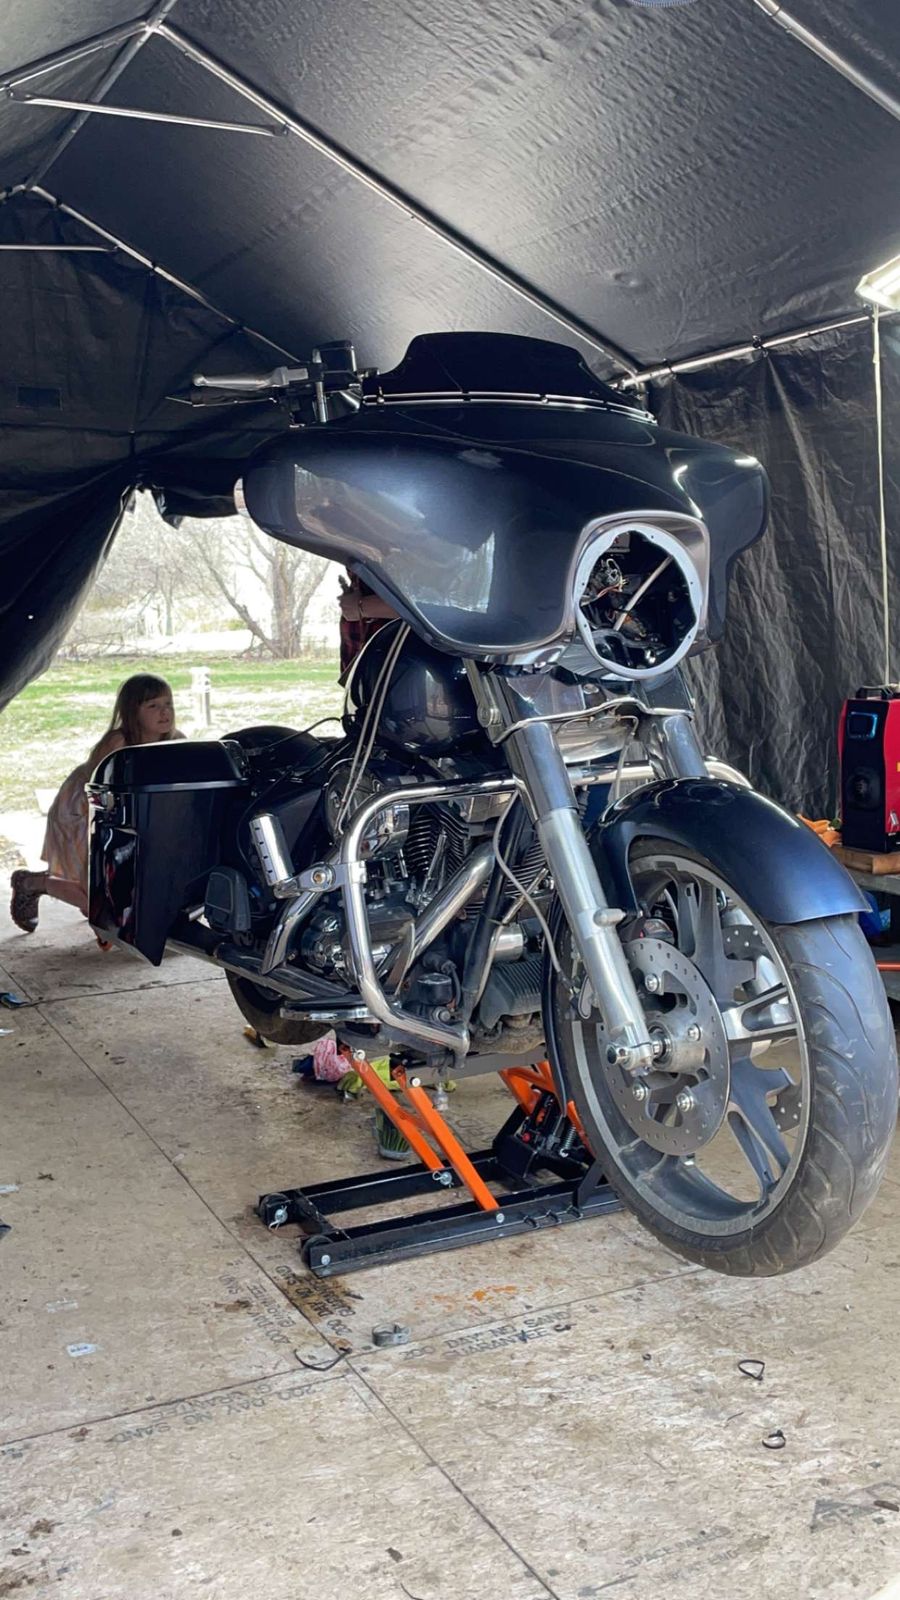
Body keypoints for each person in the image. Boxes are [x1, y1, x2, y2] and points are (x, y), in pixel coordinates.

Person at [10, 673, 182, 935]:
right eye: (153, 706)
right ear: (132, 711)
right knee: (99, 898)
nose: (164, 712)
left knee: (123, 890)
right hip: (84, 811)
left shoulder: (175, 741)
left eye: (168, 703)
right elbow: (97, 789)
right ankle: (31, 883)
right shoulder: (119, 742)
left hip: (132, 816)